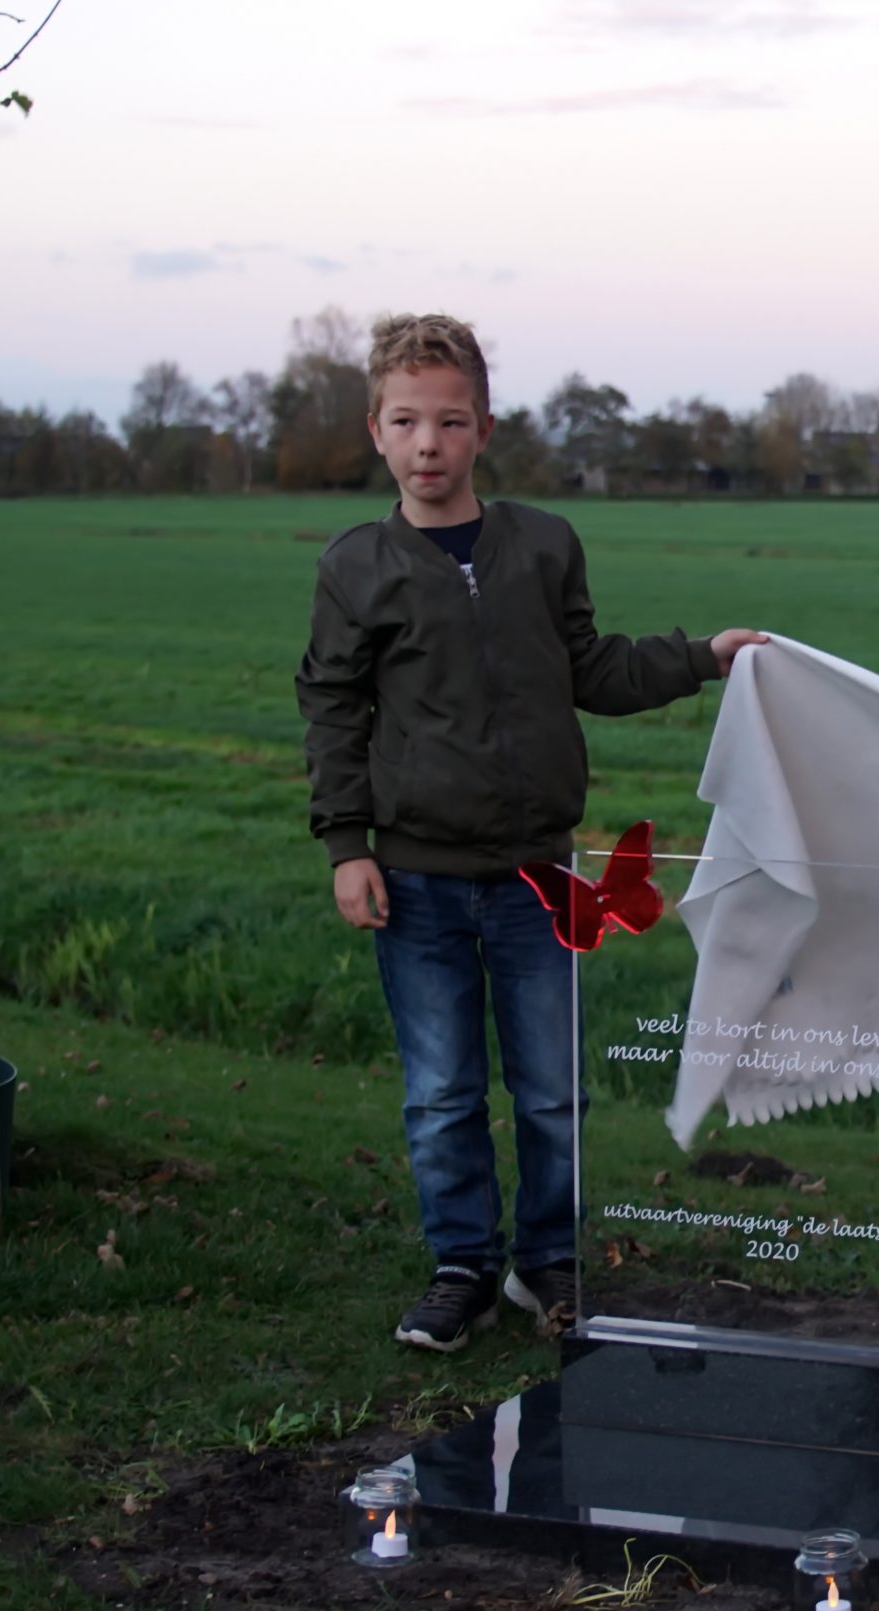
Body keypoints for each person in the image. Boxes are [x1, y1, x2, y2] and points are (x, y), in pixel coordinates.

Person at [295, 312, 764, 1352]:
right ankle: (461, 1265)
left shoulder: (543, 544)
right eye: (407, 421)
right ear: (376, 430)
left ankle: (545, 1265)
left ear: (484, 429)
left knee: (552, 1092)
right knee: (443, 1093)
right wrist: (347, 844)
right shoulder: (356, 566)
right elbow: (332, 705)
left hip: (540, 881)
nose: (429, 444)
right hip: (414, 881)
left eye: (450, 421)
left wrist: (703, 655)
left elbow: (589, 668)